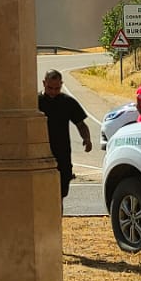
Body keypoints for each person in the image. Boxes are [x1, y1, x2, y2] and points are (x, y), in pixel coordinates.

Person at [39, 70, 94, 202]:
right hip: (40, 154)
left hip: (62, 154)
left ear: (62, 84)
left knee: (59, 195)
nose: (53, 91)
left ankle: (57, 221)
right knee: (41, 193)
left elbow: (80, 124)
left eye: (57, 88)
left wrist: (87, 139)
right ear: (44, 83)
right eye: (50, 88)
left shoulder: (67, 102)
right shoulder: (35, 102)